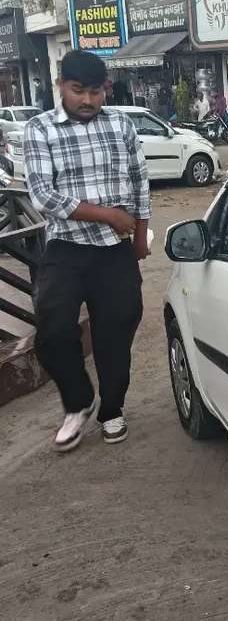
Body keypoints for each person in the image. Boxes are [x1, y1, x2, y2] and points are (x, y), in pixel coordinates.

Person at [24, 50, 150, 452]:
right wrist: (109, 216)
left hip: (115, 251)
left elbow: (139, 182)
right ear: (61, 85)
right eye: (78, 91)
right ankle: (78, 402)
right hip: (66, 249)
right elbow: (44, 195)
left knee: (117, 330)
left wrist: (139, 238)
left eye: (96, 92)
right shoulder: (39, 128)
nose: (88, 101)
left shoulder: (122, 126)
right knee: (52, 330)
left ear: (106, 90)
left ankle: (111, 410)